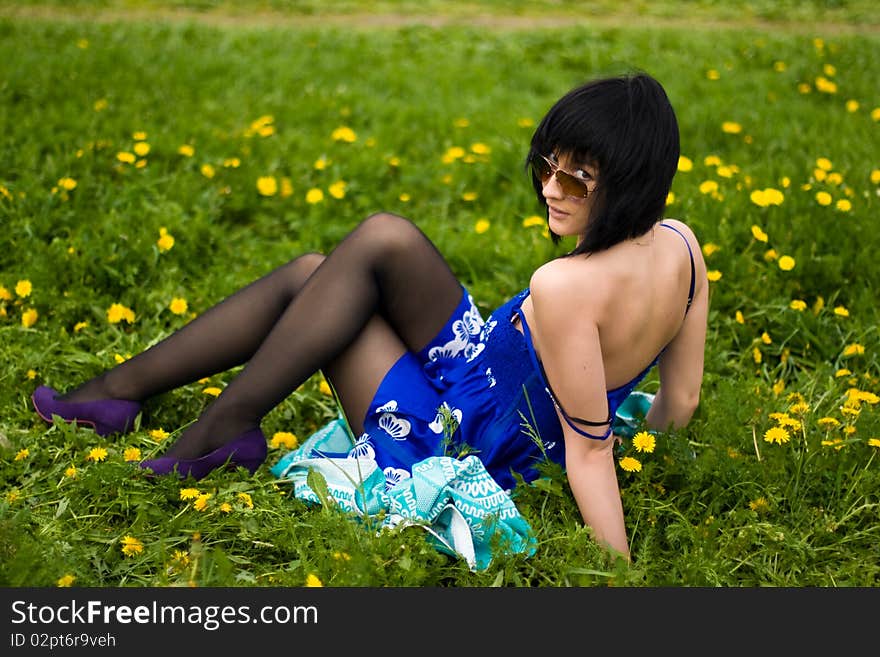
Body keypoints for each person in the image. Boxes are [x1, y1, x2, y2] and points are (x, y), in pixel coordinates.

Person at [31, 71, 708, 561]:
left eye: (577, 180)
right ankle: (134, 397)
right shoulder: (682, 246)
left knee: (315, 284)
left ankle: (210, 427)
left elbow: (590, 453)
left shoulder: (562, 285)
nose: (549, 190)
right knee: (351, 255)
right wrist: (644, 438)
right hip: (484, 369)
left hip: (471, 436)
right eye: (547, 167)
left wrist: (616, 577)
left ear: (631, 182)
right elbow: (680, 398)